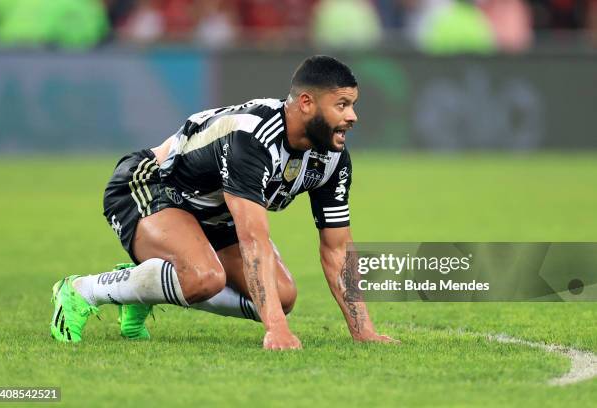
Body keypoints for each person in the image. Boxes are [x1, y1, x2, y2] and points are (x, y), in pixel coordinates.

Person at [50, 55, 395, 350]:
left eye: (352, 105)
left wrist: (363, 331)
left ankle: (146, 282)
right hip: (151, 185)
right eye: (342, 105)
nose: (353, 116)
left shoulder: (331, 159)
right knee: (205, 277)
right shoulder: (252, 138)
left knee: (283, 296)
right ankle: (82, 290)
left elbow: (336, 249)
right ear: (306, 103)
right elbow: (252, 239)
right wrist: (275, 329)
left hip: (213, 211)